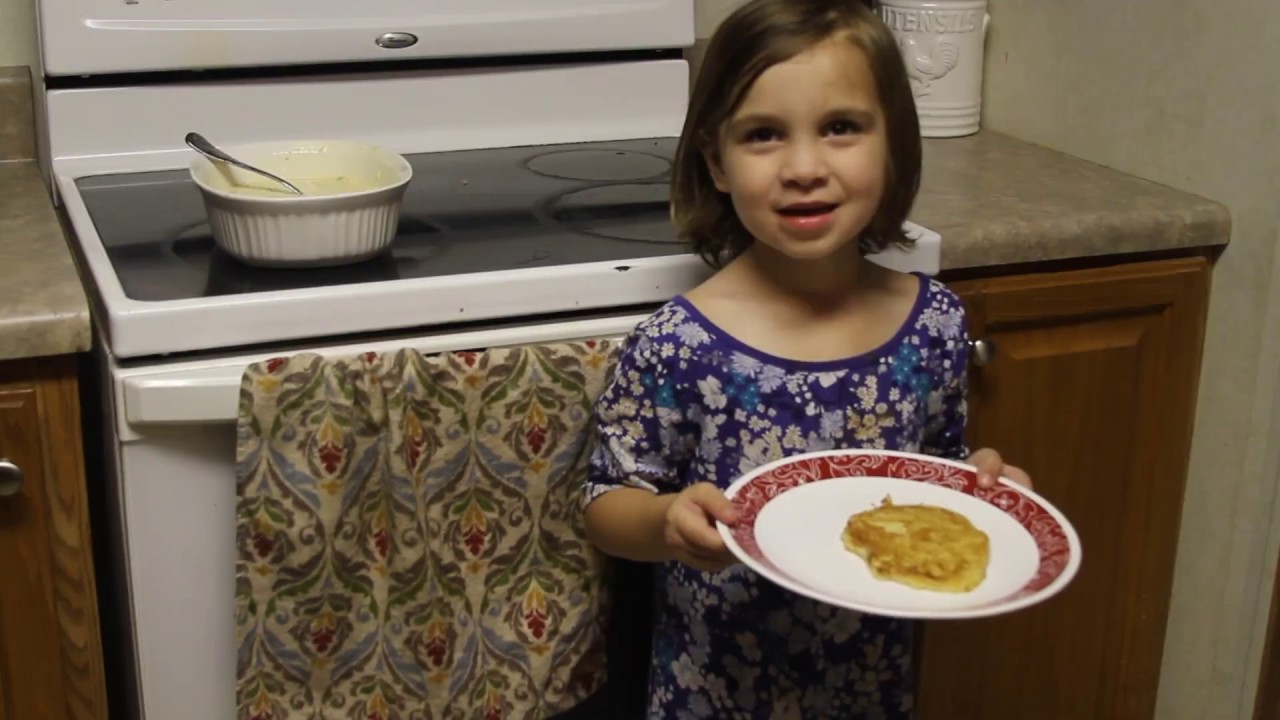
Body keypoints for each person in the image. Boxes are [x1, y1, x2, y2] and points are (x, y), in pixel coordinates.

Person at [582, 0, 1033, 717]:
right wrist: (667, 519)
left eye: (841, 128)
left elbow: (936, 472)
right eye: (763, 134)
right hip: (712, 694)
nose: (803, 168)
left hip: (870, 690)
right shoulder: (679, 343)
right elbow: (607, 505)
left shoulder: (936, 324)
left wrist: (981, 486)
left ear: (893, 145)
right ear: (716, 162)